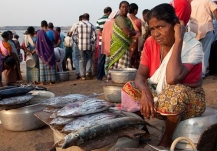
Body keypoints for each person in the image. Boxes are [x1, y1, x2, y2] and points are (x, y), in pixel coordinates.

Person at [121, 4, 205, 149]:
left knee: (175, 91)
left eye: (160, 27)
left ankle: (167, 139)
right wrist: (145, 91)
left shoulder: (192, 46)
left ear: (175, 25)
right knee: (129, 88)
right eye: (152, 29)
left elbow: (172, 78)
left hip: (190, 99)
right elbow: (140, 75)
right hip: (160, 94)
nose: (155, 34)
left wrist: (178, 40)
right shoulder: (150, 43)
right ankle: (143, 131)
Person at [189, 0, 217, 78]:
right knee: (205, 52)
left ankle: (194, 73)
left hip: (194, 31)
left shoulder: (191, 3)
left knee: (195, 53)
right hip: (206, 28)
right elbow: (215, 10)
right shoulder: (207, 1)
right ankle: (201, 74)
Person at [107, 1, 136, 70]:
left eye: (126, 7)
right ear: (120, 8)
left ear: (129, 8)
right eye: (123, 7)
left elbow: (134, 32)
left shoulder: (127, 20)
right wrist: (132, 32)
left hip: (125, 47)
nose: (125, 9)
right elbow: (127, 33)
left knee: (121, 70)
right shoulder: (120, 18)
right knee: (120, 70)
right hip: (118, 46)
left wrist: (132, 32)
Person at [72, 13, 97, 80]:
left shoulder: (77, 25)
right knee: (89, 58)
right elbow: (95, 36)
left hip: (80, 46)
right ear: (88, 18)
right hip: (89, 45)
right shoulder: (91, 25)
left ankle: (82, 75)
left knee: (81, 59)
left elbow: (74, 36)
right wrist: (90, 41)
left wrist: (78, 42)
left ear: (82, 18)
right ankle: (88, 72)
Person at [36, 20, 56, 85]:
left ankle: (43, 81)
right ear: (47, 26)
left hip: (42, 51)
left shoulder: (39, 33)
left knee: (42, 67)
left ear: (41, 26)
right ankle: (51, 80)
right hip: (50, 51)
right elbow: (53, 40)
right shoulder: (51, 32)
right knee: (51, 65)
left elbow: (38, 42)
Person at [102, 10, 120, 79]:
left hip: (107, 45)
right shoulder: (115, 23)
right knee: (113, 62)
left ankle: (107, 75)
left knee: (107, 62)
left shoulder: (107, 23)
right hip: (114, 45)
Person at [96, 7, 112, 80]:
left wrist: (104, 35)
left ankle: (99, 76)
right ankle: (108, 76)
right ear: (109, 12)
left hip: (101, 43)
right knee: (110, 60)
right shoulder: (111, 20)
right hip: (110, 42)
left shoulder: (99, 20)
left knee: (101, 60)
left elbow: (99, 32)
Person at [69, 15, 83, 79]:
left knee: (75, 57)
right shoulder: (86, 24)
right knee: (82, 57)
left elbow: (70, 33)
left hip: (75, 43)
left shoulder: (75, 24)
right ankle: (83, 72)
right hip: (83, 43)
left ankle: (78, 72)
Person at [128, 3, 142, 69]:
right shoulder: (138, 20)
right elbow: (140, 31)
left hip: (128, 39)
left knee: (129, 55)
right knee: (135, 55)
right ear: (135, 10)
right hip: (136, 40)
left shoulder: (126, 18)